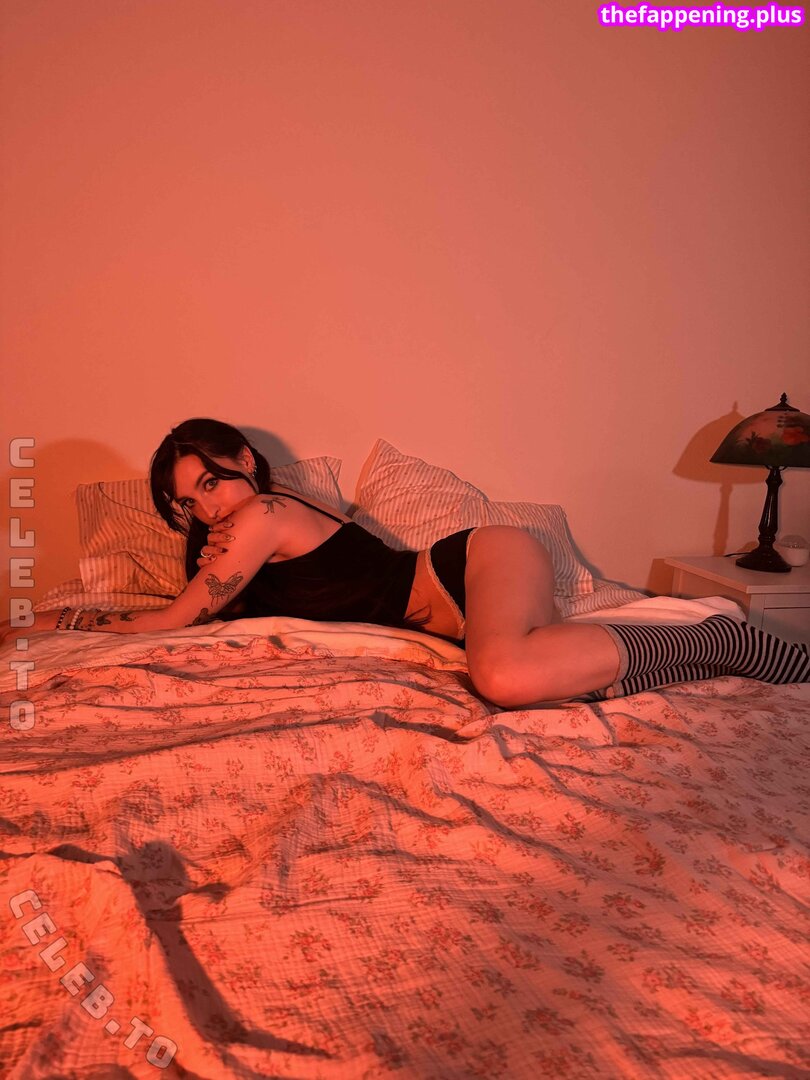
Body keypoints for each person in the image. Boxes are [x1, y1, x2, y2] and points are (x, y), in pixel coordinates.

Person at [5, 418, 809, 707]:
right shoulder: (236, 539)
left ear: (245, 461)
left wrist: (61, 622)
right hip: (461, 613)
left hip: (473, 564)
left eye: (211, 482)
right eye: (188, 502)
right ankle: (705, 656)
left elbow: (177, 620)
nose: (208, 507)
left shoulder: (265, 512)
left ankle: (718, 636)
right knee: (526, 678)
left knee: (503, 679)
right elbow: (199, 614)